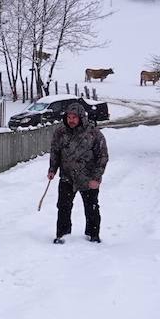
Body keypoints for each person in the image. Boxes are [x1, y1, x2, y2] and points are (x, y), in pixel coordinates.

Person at [48, 102, 108, 244]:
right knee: (63, 206)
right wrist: (52, 169)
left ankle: (93, 235)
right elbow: (55, 152)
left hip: (88, 178)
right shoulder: (60, 132)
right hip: (67, 177)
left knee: (91, 207)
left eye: (74, 117)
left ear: (81, 117)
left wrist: (96, 177)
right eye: (69, 117)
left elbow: (102, 156)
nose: (71, 120)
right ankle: (63, 234)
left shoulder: (94, 133)